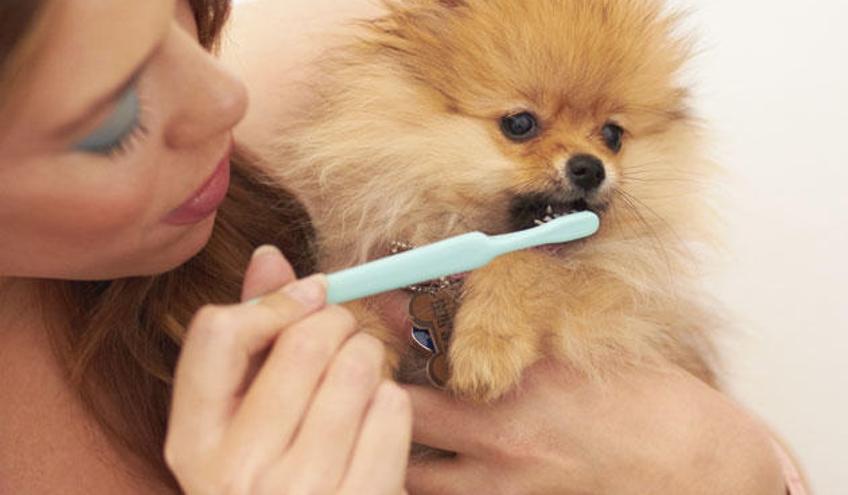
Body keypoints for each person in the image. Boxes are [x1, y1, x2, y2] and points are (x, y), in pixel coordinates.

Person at [0, 0, 802, 494]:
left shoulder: (309, 67)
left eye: (184, 10)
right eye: (111, 118)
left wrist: (733, 472)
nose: (225, 98)